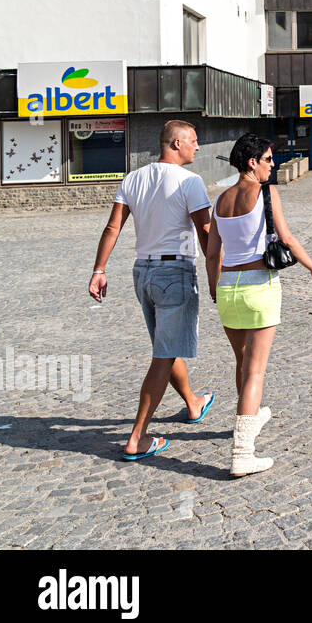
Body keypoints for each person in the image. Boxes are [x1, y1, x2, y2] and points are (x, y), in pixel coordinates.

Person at [89, 120, 215, 461]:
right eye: (193, 140)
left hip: (142, 273)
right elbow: (206, 233)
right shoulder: (190, 182)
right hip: (174, 272)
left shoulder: (133, 177)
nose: (198, 147)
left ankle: (192, 403)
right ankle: (137, 437)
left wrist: (99, 270)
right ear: (175, 143)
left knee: (165, 345)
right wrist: (216, 275)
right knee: (163, 355)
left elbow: (113, 226)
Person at [206, 134, 312, 476]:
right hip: (260, 287)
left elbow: (213, 252)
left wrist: (215, 288)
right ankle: (242, 452)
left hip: (228, 287)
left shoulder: (220, 201)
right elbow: (286, 238)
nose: (272, 165)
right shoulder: (266, 194)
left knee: (243, 363)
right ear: (251, 162)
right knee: (256, 371)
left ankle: (250, 415)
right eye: (268, 160)